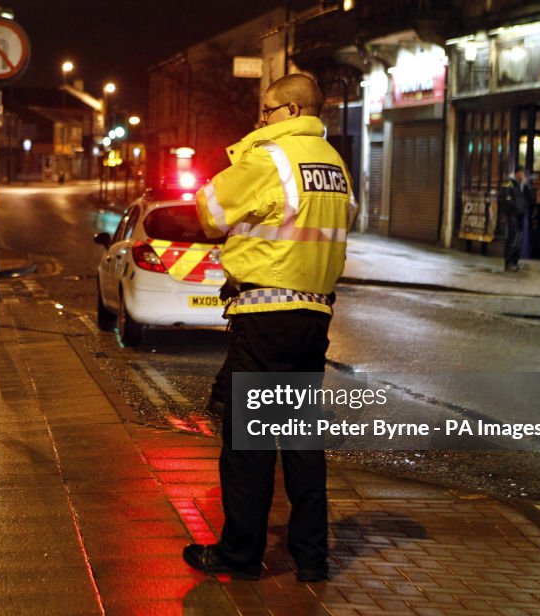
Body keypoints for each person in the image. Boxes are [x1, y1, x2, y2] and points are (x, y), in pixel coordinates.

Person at [184, 73, 356, 583]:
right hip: (313, 316)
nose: (259, 119)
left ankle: (240, 554)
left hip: (263, 316)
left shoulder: (271, 157)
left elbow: (209, 212)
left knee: (248, 443)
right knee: (301, 442)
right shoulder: (335, 166)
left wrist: (242, 160)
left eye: (267, 110)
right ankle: (311, 558)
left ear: (294, 111)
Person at [498, 165, 533, 272]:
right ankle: (508, 262)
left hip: (521, 215)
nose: (523, 175)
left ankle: (515, 262)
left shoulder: (522, 185)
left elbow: (530, 198)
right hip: (512, 215)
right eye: (521, 173)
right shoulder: (509, 183)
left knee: (519, 239)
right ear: (517, 173)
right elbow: (506, 199)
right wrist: (516, 208)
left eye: (524, 173)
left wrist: (526, 185)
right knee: (512, 238)